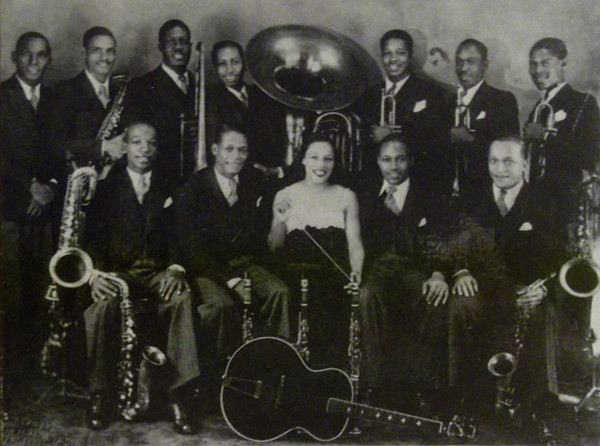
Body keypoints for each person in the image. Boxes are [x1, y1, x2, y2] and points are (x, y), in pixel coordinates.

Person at [83, 121, 202, 434]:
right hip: (117, 272)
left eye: (150, 143)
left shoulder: (171, 185)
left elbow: (182, 235)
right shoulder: (106, 187)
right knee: (101, 307)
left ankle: (179, 396)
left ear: (157, 148)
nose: (144, 150)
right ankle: (99, 395)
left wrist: (176, 268)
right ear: (124, 148)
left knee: (182, 298)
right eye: (136, 142)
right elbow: (91, 239)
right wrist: (95, 275)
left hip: (157, 271)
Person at [448, 136, 563, 442]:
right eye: (493, 161)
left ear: (525, 165)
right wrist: (460, 272)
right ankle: (465, 401)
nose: (499, 169)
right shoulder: (471, 197)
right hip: (483, 285)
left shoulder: (544, 200)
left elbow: (557, 255)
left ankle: (535, 409)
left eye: (508, 161)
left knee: (543, 312)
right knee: (462, 305)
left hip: (526, 287)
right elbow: (455, 245)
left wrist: (544, 289)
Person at [173, 123, 290, 339]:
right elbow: (192, 250)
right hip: (207, 268)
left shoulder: (252, 179)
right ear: (215, 150)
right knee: (220, 306)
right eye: (229, 149)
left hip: (245, 263)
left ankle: (272, 359)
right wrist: (232, 281)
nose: (236, 156)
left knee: (278, 291)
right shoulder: (192, 189)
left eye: (242, 150)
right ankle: (218, 370)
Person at [357, 133, 448, 411]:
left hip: (415, 269)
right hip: (377, 269)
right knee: (366, 296)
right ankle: (373, 385)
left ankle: (426, 387)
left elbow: (442, 239)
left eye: (399, 159)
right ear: (377, 162)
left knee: (435, 298)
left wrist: (438, 274)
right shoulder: (364, 193)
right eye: (386, 160)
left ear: (410, 160)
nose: (393, 167)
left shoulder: (430, 195)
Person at [267, 134, 364, 367]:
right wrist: (280, 221)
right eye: (314, 158)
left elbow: (354, 241)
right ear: (303, 161)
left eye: (327, 159)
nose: (321, 165)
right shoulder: (285, 194)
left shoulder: (346, 196)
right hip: (295, 281)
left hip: (333, 281)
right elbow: (274, 246)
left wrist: (357, 271)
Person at [1, 31, 60, 347]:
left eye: (42, 54)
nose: (34, 61)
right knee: (11, 293)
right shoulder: (1, 96)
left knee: (42, 289)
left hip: (45, 210)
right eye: (27, 53)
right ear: (14, 56)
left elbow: (60, 152)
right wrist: (29, 188)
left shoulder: (54, 100)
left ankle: (39, 372)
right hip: (10, 210)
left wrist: (49, 186)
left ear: (49, 60)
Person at [524, 38, 600, 224]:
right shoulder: (538, 107)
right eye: (533, 64)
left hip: (565, 208)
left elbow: (589, 158)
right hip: (537, 204)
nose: (538, 71)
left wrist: (545, 137)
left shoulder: (583, 103)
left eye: (545, 63)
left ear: (563, 63)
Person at [355, 29, 445, 182]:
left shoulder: (431, 92)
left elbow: (435, 140)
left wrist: (391, 137)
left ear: (410, 56)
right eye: (387, 53)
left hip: (416, 180)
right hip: (375, 180)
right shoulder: (369, 94)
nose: (393, 59)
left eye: (400, 53)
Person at [124, 19, 197, 188]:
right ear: (160, 47)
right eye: (171, 41)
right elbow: (133, 137)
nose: (178, 47)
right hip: (157, 183)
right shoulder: (140, 86)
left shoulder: (201, 87)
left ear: (190, 46)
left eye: (183, 41)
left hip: (195, 182)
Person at [445, 39, 519, 198]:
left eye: (471, 62)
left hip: (485, 196)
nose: (463, 68)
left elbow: (511, 151)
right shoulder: (449, 102)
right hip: (449, 198)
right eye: (459, 62)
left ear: (485, 65)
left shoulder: (502, 99)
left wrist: (471, 140)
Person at [46, 26, 124, 168]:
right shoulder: (63, 91)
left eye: (110, 51)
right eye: (97, 51)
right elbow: (55, 143)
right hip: (77, 180)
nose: (104, 58)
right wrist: (102, 147)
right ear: (84, 52)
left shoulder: (122, 90)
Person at [206, 40, 286, 177]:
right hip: (241, 177)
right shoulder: (211, 102)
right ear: (215, 68)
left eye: (235, 62)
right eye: (222, 64)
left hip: (273, 172)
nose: (230, 69)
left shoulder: (262, 93)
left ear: (244, 64)